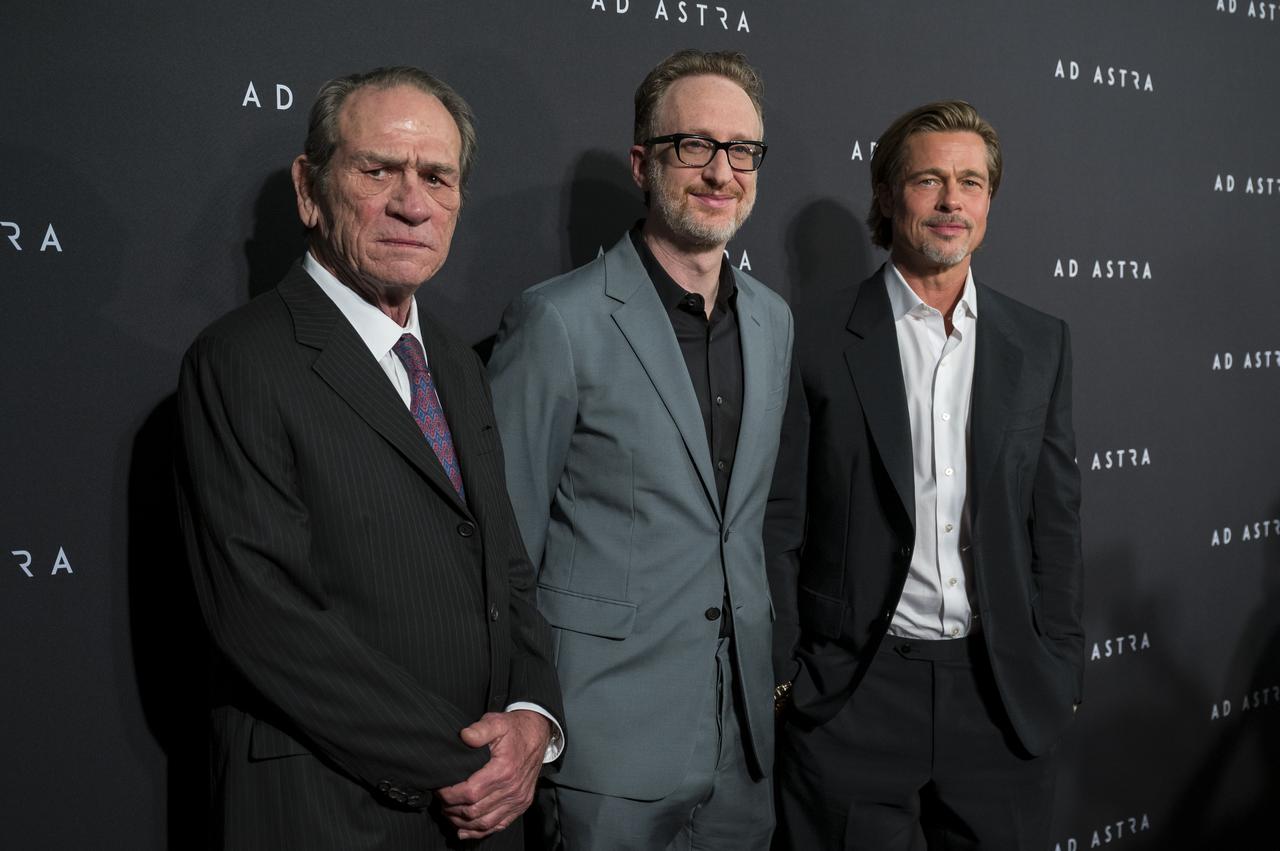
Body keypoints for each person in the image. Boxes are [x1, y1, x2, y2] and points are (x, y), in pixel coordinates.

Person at [176, 66, 563, 850]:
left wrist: (533, 719)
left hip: (481, 812)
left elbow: (506, 568)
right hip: (327, 808)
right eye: (377, 169)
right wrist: (462, 762)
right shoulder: (241, 359)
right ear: (309, 188)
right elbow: (263, 615)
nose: (412, 202)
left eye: (437, 177)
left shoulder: (456, 361)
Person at [487, 49, 791, 850]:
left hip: (745, 746)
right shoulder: (557, 321)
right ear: (642, 163)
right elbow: (504, 541)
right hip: (604, 741)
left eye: (741, 150)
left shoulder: (773, 321)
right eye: (693, 145)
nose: (720, 170)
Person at [768, 100, 1084, 851]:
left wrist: (1061, 663)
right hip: (853, 696)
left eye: (971, 182)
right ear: (886, 196)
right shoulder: (811, 334)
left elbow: (1057, 520)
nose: (952, 202)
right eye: (929, 181)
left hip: (1000, 694)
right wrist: (789, 679)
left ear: (989, 200)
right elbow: (779, 522)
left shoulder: (1039, 342)